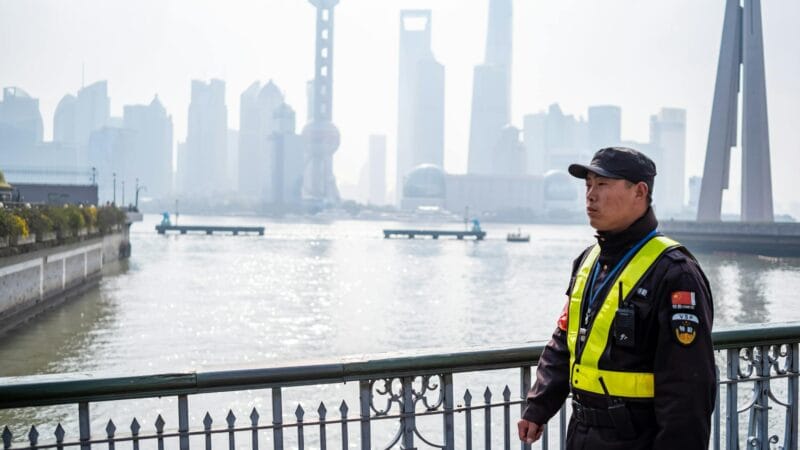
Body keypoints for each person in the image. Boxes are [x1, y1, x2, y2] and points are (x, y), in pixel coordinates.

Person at [518, 147, 716, 449]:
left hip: (637, 439)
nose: (590, 195)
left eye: (603, 185)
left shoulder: (675, 272)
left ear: (639, 191)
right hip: (582, 433)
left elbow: (687, 391)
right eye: (588, 185)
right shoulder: (588, 261)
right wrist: (539, 406)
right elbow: (565, 340)